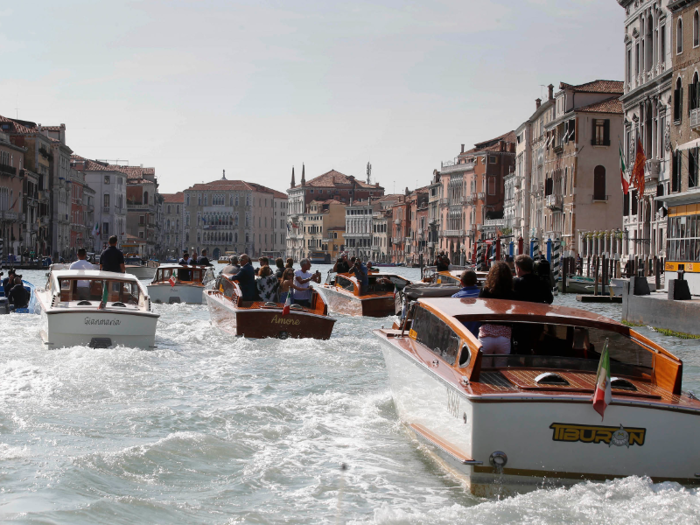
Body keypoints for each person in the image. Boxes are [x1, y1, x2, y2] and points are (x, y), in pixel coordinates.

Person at [477, 262, 514, 356]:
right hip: (504, 334)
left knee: (484, 367)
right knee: (501, 367)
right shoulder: (511, 293)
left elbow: (479, 309)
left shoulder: (485, 291)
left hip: (486, 333)